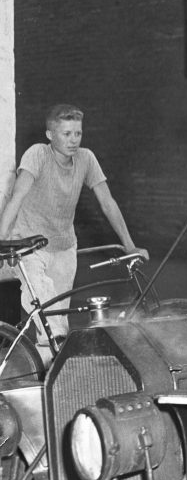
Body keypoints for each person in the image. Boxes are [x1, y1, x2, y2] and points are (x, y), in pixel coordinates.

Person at [0, 104, 149, 348]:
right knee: (51, 319)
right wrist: (3, 241)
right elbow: (17, 197)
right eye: (66, 134)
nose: (73, 141)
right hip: (30, 244)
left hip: (64, 247)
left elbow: (107, 202)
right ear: (50, 135)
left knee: (54, 322)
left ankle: (49, 374)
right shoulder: (37, 155)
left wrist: (130, 245)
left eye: (77, 134)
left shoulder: (86, 158)